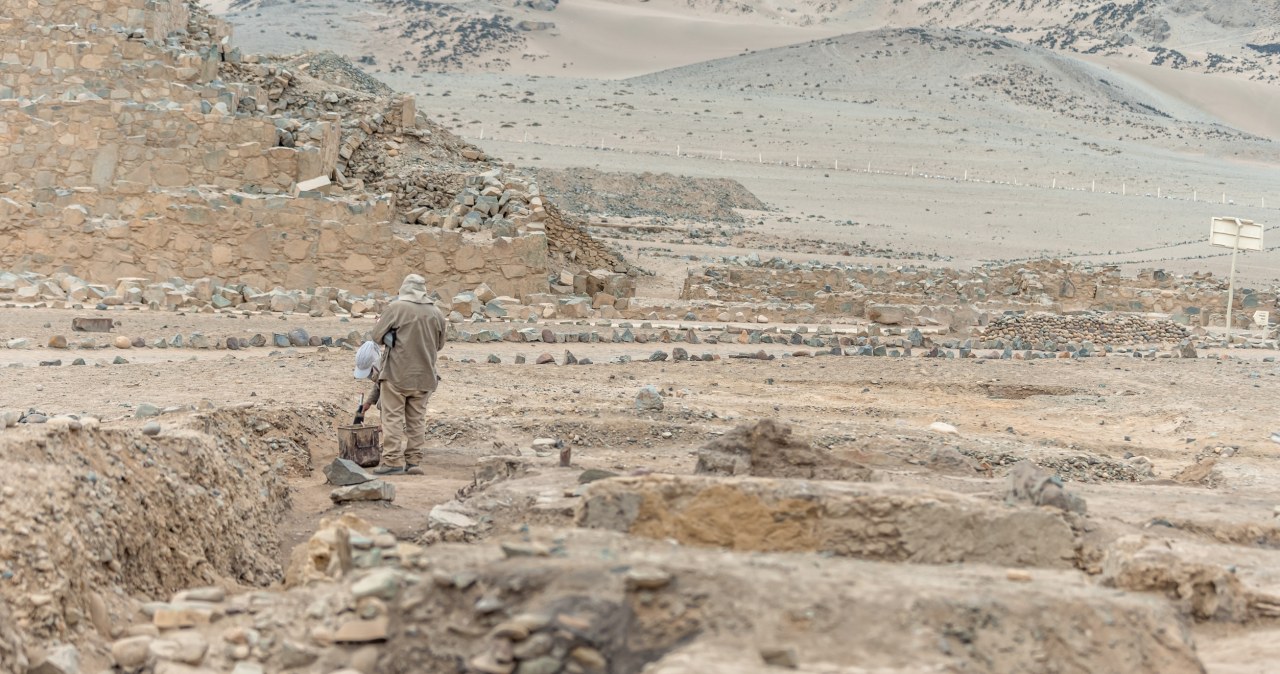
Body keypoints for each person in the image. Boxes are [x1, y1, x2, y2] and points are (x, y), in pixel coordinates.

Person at [369, 274, 447, 476]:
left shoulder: (396, 308)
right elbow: (439, 345)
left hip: (397, 374)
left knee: (392, 419)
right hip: (425, 376)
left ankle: (392, 461)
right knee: (417, 420)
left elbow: (376, 336)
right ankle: (413, 462)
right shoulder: (437, 312)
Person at [352, 340, 382, 423]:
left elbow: (389, 406)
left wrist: (385, 425)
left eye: (370, 371)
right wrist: (369, 402)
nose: (370, 376)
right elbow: (379, 384)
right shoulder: (381, 371)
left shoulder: (390, 373)